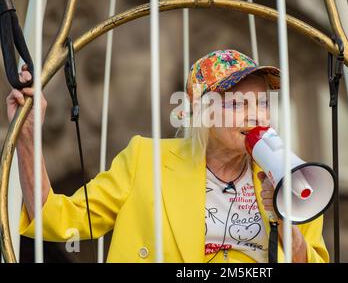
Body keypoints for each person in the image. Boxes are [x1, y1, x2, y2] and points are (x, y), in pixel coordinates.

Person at [7, 49, 329, 263]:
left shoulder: (290, 174)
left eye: (261, 104)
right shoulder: (145, 159)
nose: (255, 116)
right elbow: (60, 220)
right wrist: (27, 138)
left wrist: (285, 218)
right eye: (237, 105)